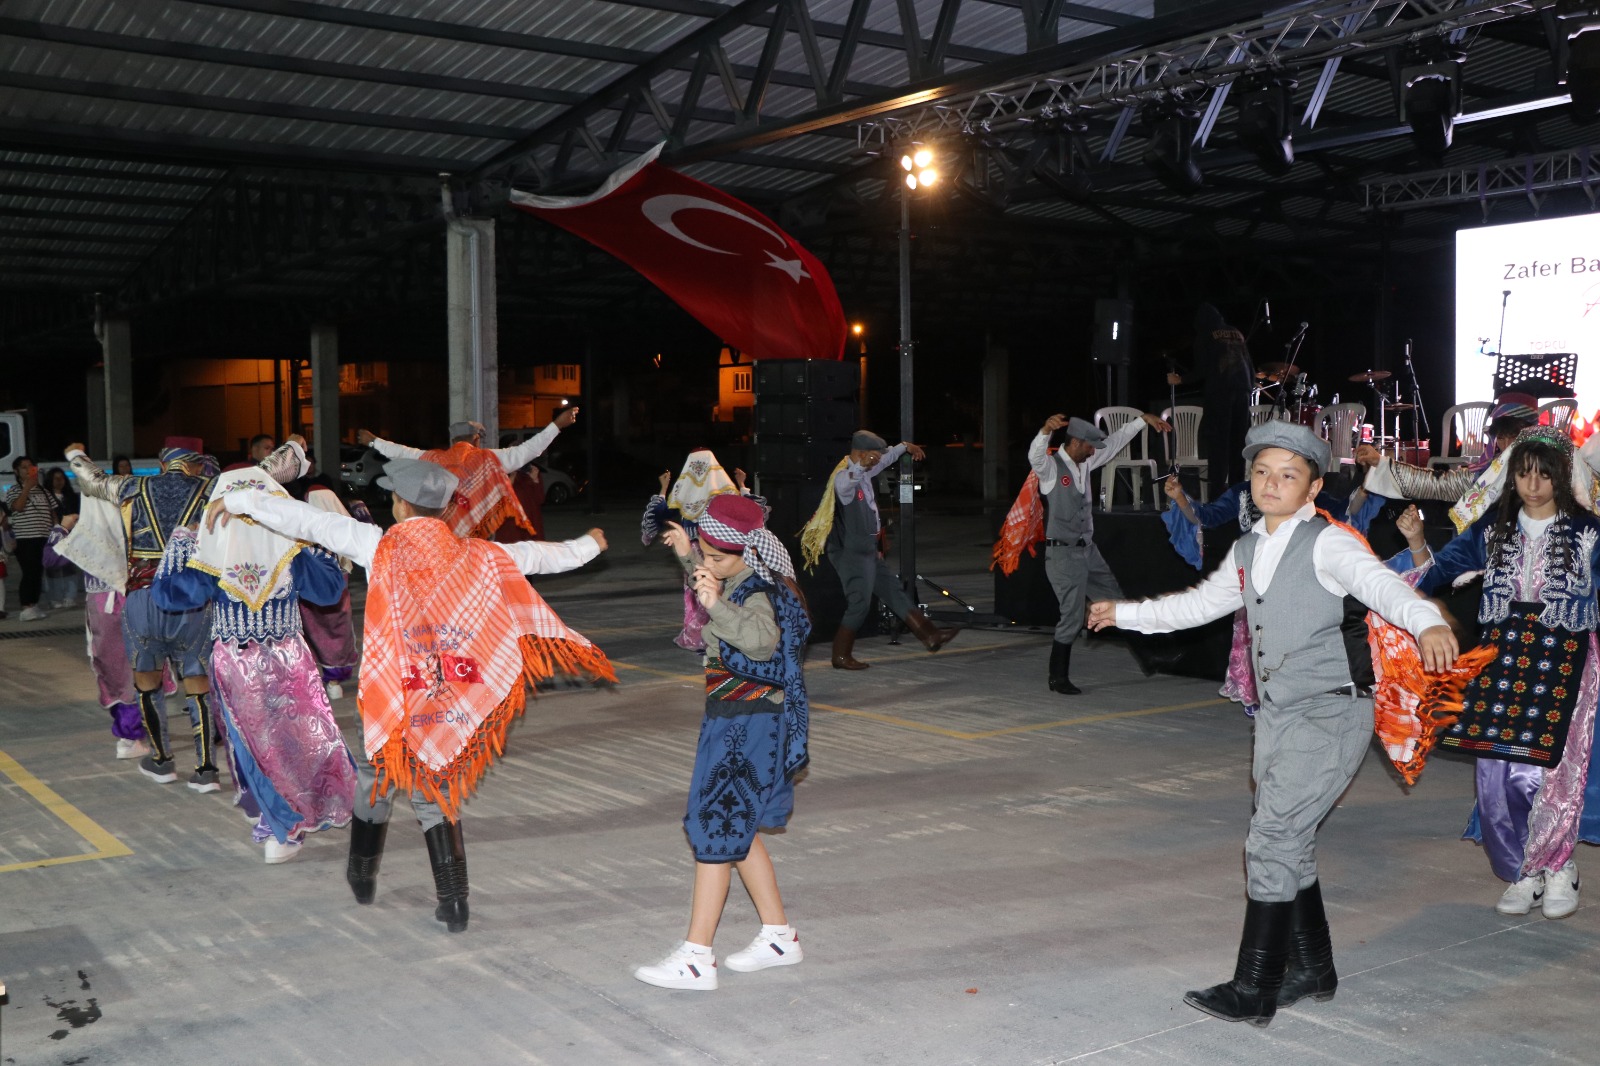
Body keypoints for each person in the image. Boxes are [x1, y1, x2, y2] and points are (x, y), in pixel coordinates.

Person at [1087, 421, 1455, 1027]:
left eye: (1288, 474)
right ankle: (1314, 970)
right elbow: (1199, 605)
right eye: (1262, 472)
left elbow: (1383, 587)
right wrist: (1125, 614)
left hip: (1331, 711)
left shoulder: (1329, 543)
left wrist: (1428, 622)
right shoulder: (1249, 546)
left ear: (1312, 488)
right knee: (1291, 840)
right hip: (1278, 714)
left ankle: (1254, 988)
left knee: (1272, 839)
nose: (1271, 483)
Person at [208, 457, 615, 932]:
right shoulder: (478, 553)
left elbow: (306, 521)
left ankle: (362, 875)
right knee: (433, 785)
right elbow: (539, 556)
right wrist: (590, 543)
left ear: (400, 505)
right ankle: (453, 901)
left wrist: (240, 500)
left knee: (375, 776)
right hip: (447, 691)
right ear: (443, 509)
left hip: (393, 691)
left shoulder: (376, 544)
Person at [1415, 428, 1600, 920]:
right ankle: (1523, 870)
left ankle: (1558, 866)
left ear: (1562, 477)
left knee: (1555, 768)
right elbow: (1433, 574)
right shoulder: (1492, 530)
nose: (1533, 485)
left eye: (1544, 475)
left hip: (1568, 656)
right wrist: (1413, 551)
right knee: (1496, 770)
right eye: (1523, 474)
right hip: (1504, 656)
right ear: (1511, 476)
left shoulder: (1589, 532)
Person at [634, 494, 810, 990]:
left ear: (746, 553)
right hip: (733, 717)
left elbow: (762, 641)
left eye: (715, 557)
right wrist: (687, 555)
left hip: (747, 725)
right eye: (704, 554)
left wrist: (714, 603)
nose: (706, 565)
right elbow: (713, 575)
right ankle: (778, 937)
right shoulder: (735, 576)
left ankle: (696, 958)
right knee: (739, 829)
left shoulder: (757, 592)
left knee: (715, 826)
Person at [66, 436, 304, 791]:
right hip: (192, 598)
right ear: (194, 464)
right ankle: (206, 769)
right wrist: (293, 449)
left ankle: (162, 762)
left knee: (146, 680)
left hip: (143, 599)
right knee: (198, 682)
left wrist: (76, 454)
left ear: (163, 464)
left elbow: (91, 480)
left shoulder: (133, 486)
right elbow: (264, 472)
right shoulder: (212, 488)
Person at [157, 464, 357, 864]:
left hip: (238, 661)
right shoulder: (290, 546)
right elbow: (329, 590)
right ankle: (301, 810)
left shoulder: (211, 550)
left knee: (255, 745)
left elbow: (168, 596)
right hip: (288, 658)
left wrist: (180, 545)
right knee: (303, 740)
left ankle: (280, 824)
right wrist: (312, 543)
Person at [1017, 411, 1171, 695]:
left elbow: (1113, 443)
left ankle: (1149, 658)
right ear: (1075, 442)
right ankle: (1057, 677)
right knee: (1072, 616)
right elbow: (1034, 456)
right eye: (1089, 446)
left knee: (1118, 603)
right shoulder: (1051, 469)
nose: (1093, 452)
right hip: (1063, 556)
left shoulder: (1085, 463)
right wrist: (1045, 431)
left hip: (1089, 550)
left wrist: (1141, 421)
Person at [800, 430, 955, 669]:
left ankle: (930, 636)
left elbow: (887, 458)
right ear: (862, 454)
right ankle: (840, 655)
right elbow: (846, 483)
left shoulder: (867, 471)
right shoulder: (844, 477)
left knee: (894, 593)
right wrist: (862, 466)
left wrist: (904, 446)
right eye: (874, 455)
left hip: (867, 551)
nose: (878, 460)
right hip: (851, 553)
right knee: (859, 604)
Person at [357, 407, 578, 540]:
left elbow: (402, 452)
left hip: (442, 538)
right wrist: (556, 425)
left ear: (453, 440)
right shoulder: (488, 459)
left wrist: (374, 441)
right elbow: (527, 451)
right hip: (476, 540)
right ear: (476, 439)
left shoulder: (433, 459)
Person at [641, 449, 761, 651]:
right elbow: (749, 511)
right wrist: (742, 486)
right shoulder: (723, 492)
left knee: (700, 593)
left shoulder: (684, 493)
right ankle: (715, 637)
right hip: (712, 553)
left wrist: (664, 488)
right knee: (711, 593)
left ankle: (703, 637)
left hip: (699, 550)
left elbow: (659, 514)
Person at [1358, 396, 1537, 503]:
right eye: (1502, 438)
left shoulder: (1549, 469)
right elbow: (1437, 484)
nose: (1507, 445)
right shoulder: (1487, 474)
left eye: (1514, 437)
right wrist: (1380, 462)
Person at [1167, 303, 1256, 490]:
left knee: (1218, 443)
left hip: (1221, 392)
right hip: (1243, 390)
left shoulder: (1205, 335)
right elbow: (1248, 362)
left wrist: (1181, 379)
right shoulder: (1236, 333)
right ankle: (1237, 493)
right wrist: (1250, 384)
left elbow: (1202, 369)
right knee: (1238, 443)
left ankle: (1217, 495)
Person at [6, 456, 59, 621]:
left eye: (30, 466)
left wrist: (57, 531)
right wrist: (27, 488)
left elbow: (53, 512)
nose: (28, 470)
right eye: (24, 467)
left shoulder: (43, 490)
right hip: (25, 538)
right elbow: (18, 507)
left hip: (43, 537)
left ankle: (33, 604)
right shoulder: (14, 490)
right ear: (16, 471)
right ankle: (25, 606)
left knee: (38, 572)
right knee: (29, 572)